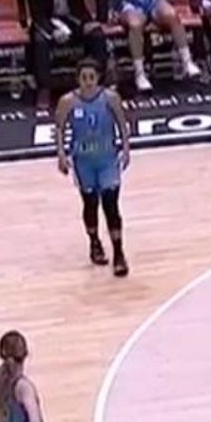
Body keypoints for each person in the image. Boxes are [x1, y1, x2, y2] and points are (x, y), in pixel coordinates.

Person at [53, 60, 132, 277]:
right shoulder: (68, 101)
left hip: (107, 159)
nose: (88, 82)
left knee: (111, 204)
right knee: (90, 204)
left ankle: (118, 253)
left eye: (91, 77)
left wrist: (126, 149)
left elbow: (122, 123)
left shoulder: (110, 98)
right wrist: (61, 154)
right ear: (78, 79)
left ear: (98, 78)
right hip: (83, 162)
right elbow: (59, 128)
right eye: (84, 78)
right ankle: (95, 242)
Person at [25, 0, 112, 110]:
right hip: (48, 20)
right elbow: (37, 16)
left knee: (97, 34)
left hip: (74, 17)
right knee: (39, 41)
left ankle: (99, 81)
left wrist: (100, 20)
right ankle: (44, 88)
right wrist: (52, 32)